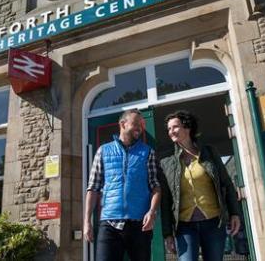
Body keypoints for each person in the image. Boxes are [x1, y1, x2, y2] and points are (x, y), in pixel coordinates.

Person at [159, 110, 241, 261]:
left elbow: (227, 184)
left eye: (175, 127)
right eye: (169, 129)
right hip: (184, 226)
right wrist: (167, 234)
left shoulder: (209, 153)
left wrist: (234, 213)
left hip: (214, 223)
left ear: (187, 127)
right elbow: (166, 202)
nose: (171, 131)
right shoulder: (167, 163)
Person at [83, 109, 161, 261]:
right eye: (136, 123)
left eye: (142, 124)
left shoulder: (148, 152)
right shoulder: (103, 151)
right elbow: (93, 187)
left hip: (139, 225)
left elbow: (155, 186)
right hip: (109, 224)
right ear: (123, 124)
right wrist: (86, 221)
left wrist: (152, 212)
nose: (140, 127)